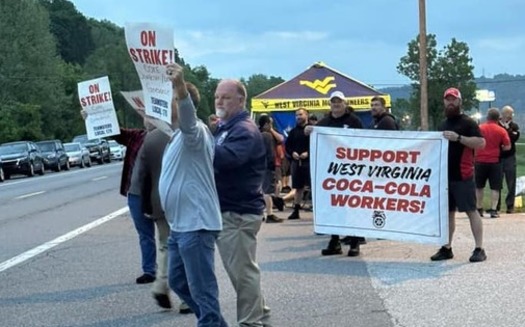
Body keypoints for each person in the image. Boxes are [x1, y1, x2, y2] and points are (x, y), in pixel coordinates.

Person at [159, 64, 227, 326]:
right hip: (180, 226)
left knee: (202, 290)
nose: (168, 105)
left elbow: (187, 116)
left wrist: (179, 86)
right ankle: (215, 323)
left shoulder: (194, 132)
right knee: (177, 281)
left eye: (172, 100)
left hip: (196, 225)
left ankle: (210, 322)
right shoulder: (176, 136)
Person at [213, 79, 272, 327]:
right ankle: (262, 315)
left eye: (225, 97)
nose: (219, 101)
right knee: (240, 271)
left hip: (238, 212)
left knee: (243, 272)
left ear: (240, 100)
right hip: (231, 209)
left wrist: (202, 141)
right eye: (217, 96)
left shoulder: (244, 130)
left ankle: (251, 322)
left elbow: (227, 160)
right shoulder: (228, 127)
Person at [80, 109, 156, 284]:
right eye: (146, 116)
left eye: (152, 117)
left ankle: (171, 273)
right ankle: (150, 270)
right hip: (136, 195)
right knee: (145, 234)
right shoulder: (137, 136)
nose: (148, 120)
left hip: (159, 194)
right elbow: (114, 131)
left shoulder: (169, 137)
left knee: (168, 236)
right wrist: (92, 118)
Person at [137, 120, 191, 314]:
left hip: (159, 201)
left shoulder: (150, 139)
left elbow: (143, 175)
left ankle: (161, 283)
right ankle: (187, 297)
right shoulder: (189, 131)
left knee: (165, 245)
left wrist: (146, 205)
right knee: (187, 247)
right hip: (185, 200)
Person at [305, 91, 364, 257]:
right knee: (333, 205)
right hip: (330, 172)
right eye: (333, 102)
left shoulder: (354, 121)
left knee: (352, 206)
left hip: (350, 170)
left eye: (339, 102)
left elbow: (364, 142)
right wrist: (310, 131)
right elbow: (314, 142)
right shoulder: (324, 123)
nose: (336, 104)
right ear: (330, 104)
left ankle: (354, 241)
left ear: (345, 103)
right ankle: (334, 240)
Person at [431, 87, 487, 263]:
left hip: (463, 176)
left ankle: (479, 248)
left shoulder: (468, 123)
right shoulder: (442, 124)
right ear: (444, 102)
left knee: (471, 211)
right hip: (445, 177)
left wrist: (459, 138)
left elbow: (481, 143)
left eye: (453, 99)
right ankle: (446, 248)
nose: (450, 102)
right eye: (447, 99)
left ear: (459, 101)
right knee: (448, 213)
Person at [475, 108, 511, 218]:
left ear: (487, 117)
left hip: (480, 161)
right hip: (495, 161)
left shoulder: (480, 128)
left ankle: (479, 208)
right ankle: (494, 210)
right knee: (495, 187)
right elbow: (508, 146)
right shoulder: (501, 130)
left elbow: (475, 142)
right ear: (498, 118)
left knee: (479, 186)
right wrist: (500, 148)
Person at [285, 108, 311, 220]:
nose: (298, 117)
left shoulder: (311, 130)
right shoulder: (293, 131)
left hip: (309, 162)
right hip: (296, 162)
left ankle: (318, 211)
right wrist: (292, 153)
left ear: (306, 115)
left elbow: (318, 143)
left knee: (314, 186)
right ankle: (296, 210)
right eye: (296, 115)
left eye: (300, 114)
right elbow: (288, 146)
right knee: (298, 187)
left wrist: (309, 153)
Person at [258, 115, 284, 223]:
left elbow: (280, 139)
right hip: (267, 166)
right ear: (266, 124)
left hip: (258, 165)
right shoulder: (267, 136)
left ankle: (261, 213)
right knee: (267, 191)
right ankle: (269, 214)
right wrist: (272, 165)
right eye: (270, 123)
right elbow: (270, 153)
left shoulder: (257, 134)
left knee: (260, 190)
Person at [498, 105, 520, 213]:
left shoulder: (514, 126)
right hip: (498, 157)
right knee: (497, 182)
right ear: (503, 114)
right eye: (508, 114)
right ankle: (496, 205)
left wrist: (508, 129)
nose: (510, 116)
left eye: (511, 114)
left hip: (510, 157)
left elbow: (514, 138)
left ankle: (510, 205)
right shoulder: (496, 125)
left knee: (511, 182)